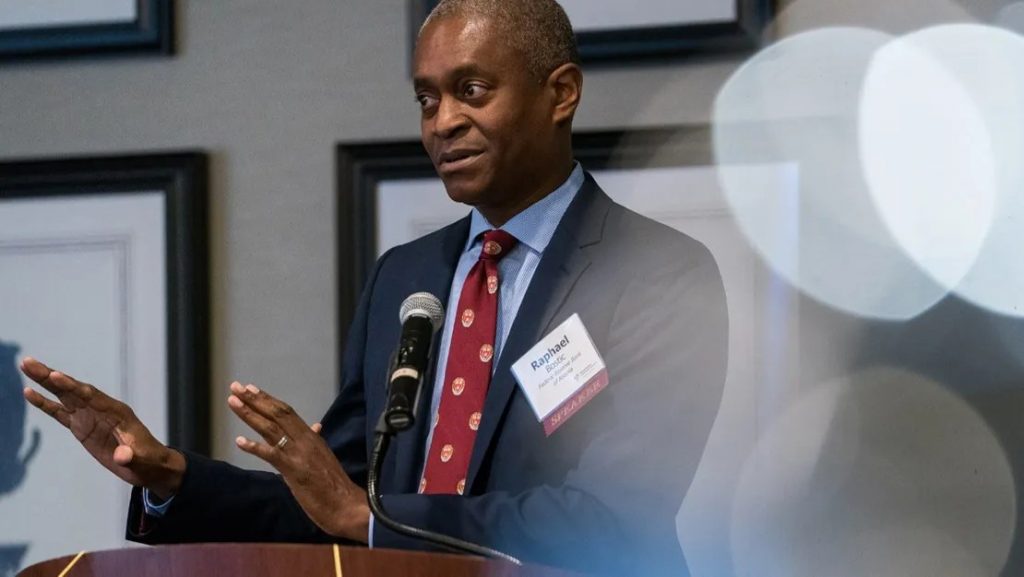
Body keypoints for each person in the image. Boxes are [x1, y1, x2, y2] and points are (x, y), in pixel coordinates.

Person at [20, 1, 727, 574]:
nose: (443, 122)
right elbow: (332, 500)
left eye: (471, 91)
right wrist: (172, 474)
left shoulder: (657, 273)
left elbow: (613, 520)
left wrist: (369, 518)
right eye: (426, 99)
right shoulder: (406, 276)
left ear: (561, 93)